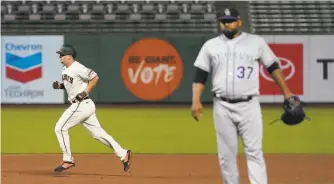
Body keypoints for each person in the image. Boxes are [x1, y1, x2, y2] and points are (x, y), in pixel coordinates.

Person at [191, 8, 296, 184]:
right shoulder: (210, 45)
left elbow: (273, 67)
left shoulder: (256, 42)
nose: (227, 23)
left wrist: (287, 92)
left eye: (231, 20)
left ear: (240, 22)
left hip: (250, 106)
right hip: (222, 106)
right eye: (224, 20)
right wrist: (196, 100)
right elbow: (200, 74)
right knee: (226, 155)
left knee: (254, 152)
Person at [52, 44, 132, 173]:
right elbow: (72, 85)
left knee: (60, 128)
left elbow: (95, 77)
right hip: (85, 105)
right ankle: (123, 154)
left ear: (69, 56)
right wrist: (60, 86)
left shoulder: (78, 67)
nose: (59, 56)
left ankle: (68, 159)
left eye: (61, 54)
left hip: (81, 104)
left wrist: (85, 91)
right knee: (98, 134)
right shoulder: (65, 69)